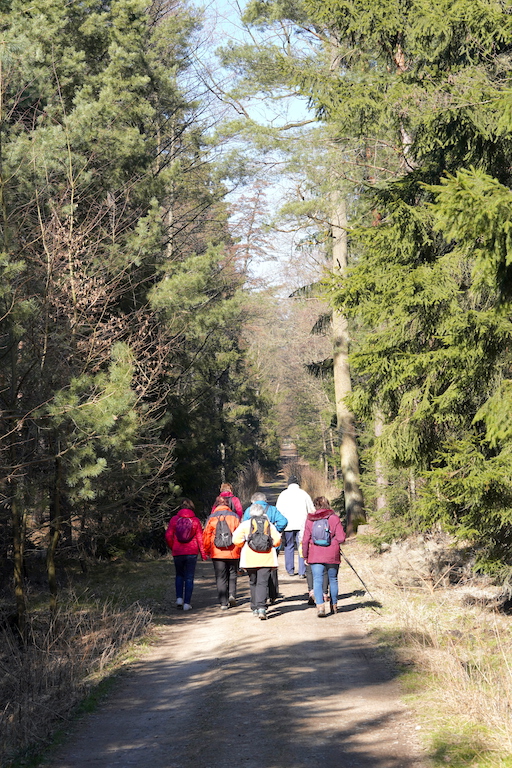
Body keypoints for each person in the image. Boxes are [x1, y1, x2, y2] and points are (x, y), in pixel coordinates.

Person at [233, 503, 281, 620]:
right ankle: (261, 608)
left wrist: (245, 544)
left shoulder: (245, 525)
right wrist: (269, 544)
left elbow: (235, 539)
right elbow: (277, 540)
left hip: (250, 559)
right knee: (262, 583)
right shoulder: (268, 524)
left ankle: (254, 607)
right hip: (266, 558)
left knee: (253, 581)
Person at [301, 496, 346, 617]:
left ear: (316, 506)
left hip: (315, 554)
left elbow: (305, 540)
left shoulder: (310, 519)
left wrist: (305, 556)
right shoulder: (334, 518)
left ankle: (320, 607)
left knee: (317, 579)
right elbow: (341, 538)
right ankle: (334, 605)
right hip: (332, 554)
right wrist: (334, 541)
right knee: (333, 579)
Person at [242, 492, 288, 603]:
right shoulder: (272, 509)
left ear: (253, 501)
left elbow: (245, 526)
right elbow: (284, 521)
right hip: (270, 546)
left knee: (256, 574)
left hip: (253, 547)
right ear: (265, 500)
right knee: (271, 571)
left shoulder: (249, 510)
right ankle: (272, 595)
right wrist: (276, 530)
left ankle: (260, 597)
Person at [165, 499, 207, 612]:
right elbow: (200, 538)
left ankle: (179, 598)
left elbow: (168, 535)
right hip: (192, 552)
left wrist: (173, 546)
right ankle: (187, 603)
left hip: (178, 551)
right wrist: (203, 554)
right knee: (189, 578)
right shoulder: (195, 521)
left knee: (179, 575)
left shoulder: (174, 519)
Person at [203, 496, 242, 609]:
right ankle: (232, 595)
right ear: (229, 504)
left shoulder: (211, 517)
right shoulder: (234, 517)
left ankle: (223, 602)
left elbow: (206, 535)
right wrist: (239, 548)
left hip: (217, 552)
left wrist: (206, 550)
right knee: (232, 574)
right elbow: (239, 534)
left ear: (215, 505)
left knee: (220, 576)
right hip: (233, 551)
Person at [276, 476, 314, 577]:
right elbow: (311, 509)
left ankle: (290, 570)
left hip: (288, 524)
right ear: (298, 483)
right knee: (302, 545)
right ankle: (302, 571)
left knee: (289, 546)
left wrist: (278, 525)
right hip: (302, 524)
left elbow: (278, 510)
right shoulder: (304, 494)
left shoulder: (283, 494)